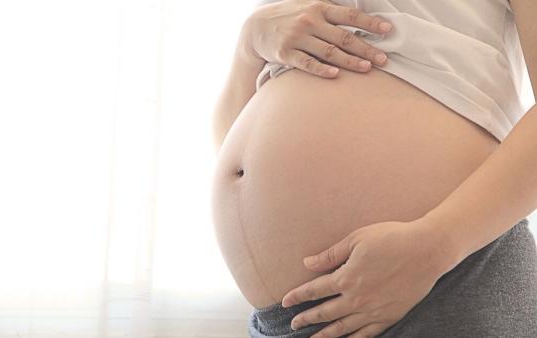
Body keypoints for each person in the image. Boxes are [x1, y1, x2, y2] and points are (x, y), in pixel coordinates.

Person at [211, 0, 537, 337]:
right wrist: (248, 48)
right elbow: (229, 145)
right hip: (286, 317)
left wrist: (437, 246)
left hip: (440, 279)